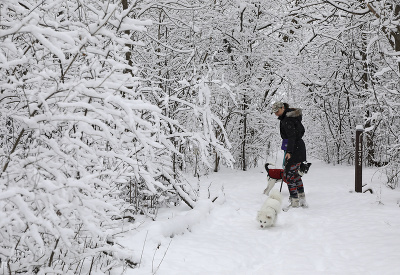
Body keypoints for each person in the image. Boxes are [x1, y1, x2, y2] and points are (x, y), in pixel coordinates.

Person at [271, 101, 308, 208]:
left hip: (294, 150)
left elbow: (292, 136)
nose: (276, 113)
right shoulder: (290, 118)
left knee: (289, 176)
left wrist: (289, 152)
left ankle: (294, 201)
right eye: (274, 112)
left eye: (277, 111)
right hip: (298, 148)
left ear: (283, 108)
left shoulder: (287, 120)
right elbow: (300, 132)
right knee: (295, 175)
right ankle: (302, 199)